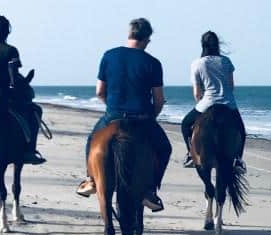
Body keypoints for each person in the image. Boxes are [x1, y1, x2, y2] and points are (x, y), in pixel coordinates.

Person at [75, 18, 172, 212]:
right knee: (164, 148)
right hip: (141, 119)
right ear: (147, 39)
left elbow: (100, 92)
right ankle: (150, 191)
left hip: (113, 115)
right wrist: (151, 117)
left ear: (129, 35)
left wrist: (112, 108)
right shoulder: (152, 62)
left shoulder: (109, 56)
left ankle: (90, 180)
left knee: (92, 140)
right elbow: (159, 100)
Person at [0, 14, 45, 163]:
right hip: (2, 98)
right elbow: (13, 81)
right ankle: (29, 151)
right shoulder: (10, 51)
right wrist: (26, 81)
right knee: (35, 110)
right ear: (6, 32)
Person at [180, 31, 247, 170]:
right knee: (241, 130)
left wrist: (200, 100)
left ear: (202, 45)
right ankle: (238, 160)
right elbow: (231, 86)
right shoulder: (226, 61)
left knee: (185, 124)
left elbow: (197, 93)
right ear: (217, 44)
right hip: (228, 104)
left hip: (207, 103)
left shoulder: (197, 64)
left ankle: (190, 154)